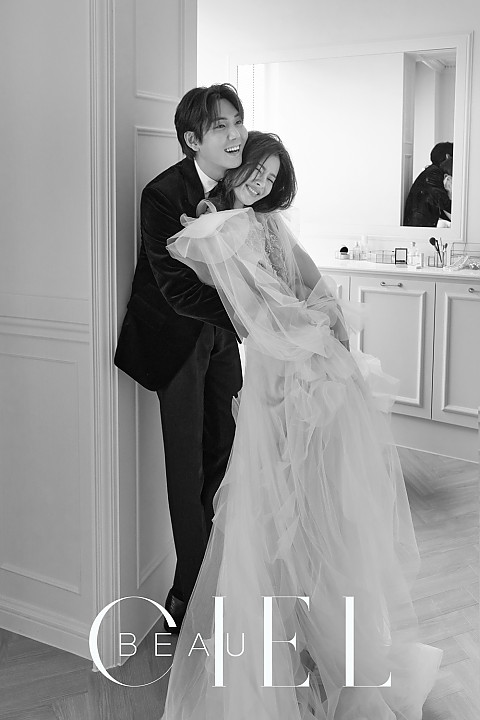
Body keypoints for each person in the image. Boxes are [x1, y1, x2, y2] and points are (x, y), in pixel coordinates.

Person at [160, 131, 442, 719]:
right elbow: (255, 309)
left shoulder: (267, 222)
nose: (261, 182)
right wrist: (312, 327)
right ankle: (280, 665)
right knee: (271, 508)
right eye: (254, 170)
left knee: (318, 503)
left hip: (308, 365)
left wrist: (328, 313)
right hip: (277, 370)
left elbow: (307, 277)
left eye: (271, 175)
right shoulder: (218, 229)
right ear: (233, 165)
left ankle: (318, 652)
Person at [114, 84, 247, 632]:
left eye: (238, 121)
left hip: (221, 338)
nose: (236, 134)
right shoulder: (163, 194)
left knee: (225, 453)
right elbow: (175, 289)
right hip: (175, 340)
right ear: (193, 140)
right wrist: (249, 317)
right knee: (186, 467)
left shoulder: (242, 186)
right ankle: (189, 593)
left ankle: (215, 571)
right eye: (221, 126)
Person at [403, 141, 453, 227]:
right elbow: (442, 200)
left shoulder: (431, 171)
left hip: (419, 223)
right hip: (419, 226)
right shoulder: (434, 173)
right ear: (447, 156)